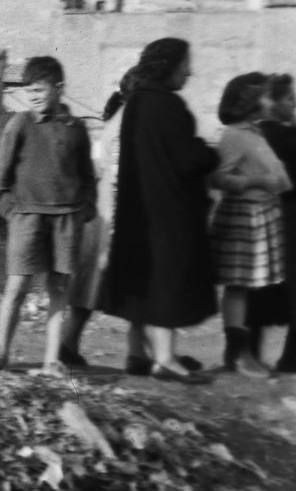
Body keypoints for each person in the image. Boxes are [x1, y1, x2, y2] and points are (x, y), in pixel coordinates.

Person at [103, 37, 218, 384]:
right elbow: (186, 160)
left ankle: (139, 353)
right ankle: (165, 359)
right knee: (167, 282)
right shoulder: (169, 106)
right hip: (169, 212)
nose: (189, 72)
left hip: (138, 209)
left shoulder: (136, 102)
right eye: (185, 65)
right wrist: (209, 153)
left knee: (145, 282)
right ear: (168, 66)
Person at [0, 56, 96, 377]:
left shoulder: (76, 128)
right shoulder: (20, 123)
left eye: (40, 89)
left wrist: (83, 211)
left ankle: (52, 359)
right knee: (17, 287)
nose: (33, 95)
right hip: (27, 218)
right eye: (28, 90)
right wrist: (9, 211)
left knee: (59, 291)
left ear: (59, 88)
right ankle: (1, 353)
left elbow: (87, 176)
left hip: (66, 220)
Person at [210, 72, 292, 378]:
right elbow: (218, 177)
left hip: (261, 214)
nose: (272, 101)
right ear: (252, 102)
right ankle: (237, 354)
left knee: (246, 288)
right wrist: (256, 180)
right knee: (239, 286)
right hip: (244, 216)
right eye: (267, 96)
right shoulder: (235, 135)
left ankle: (242, 353)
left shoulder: (255, 133)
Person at [59, 67, 139, 366]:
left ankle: (69, 343)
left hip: (104, 214)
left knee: (91, 285)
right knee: (133, 285)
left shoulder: (122, 120)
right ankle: (139, 354)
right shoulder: (127, 123)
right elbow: (119, 175)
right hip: (113, 215)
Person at [250, 73, 296, 372]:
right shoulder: (278, 135)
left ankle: (250, 354)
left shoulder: (258, 133)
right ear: (272, 102)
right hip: (287, 219)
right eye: (290, 99)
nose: (294, 105)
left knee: (260, 291)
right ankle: (290, 359)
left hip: (269, 220)